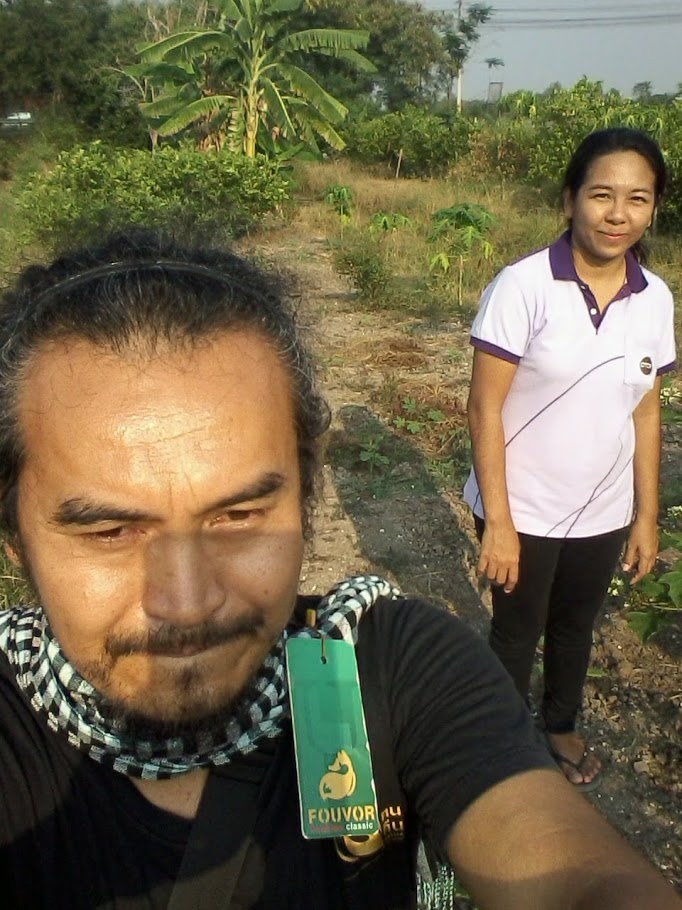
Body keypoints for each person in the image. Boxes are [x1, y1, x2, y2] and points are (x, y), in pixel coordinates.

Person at [0, 228, 679, 910]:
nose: (187, 601)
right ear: (16, 539)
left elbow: (568, 869)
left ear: (306, 498)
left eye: (238, 516)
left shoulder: (389, 668)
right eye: (110, 532)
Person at [464, 127, 676, 791]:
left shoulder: (655, 297)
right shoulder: (523, 285)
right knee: (517, 631)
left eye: (637, 199)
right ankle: (503, 747)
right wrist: (499, 522)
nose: (618, 214)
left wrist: (646, 516)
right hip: (523, 506)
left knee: (575, 627)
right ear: (570, 199)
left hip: (602, 508)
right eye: (602, 195)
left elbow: (646, 411)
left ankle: (558, 725)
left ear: (653, 210)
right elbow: (484, 408)